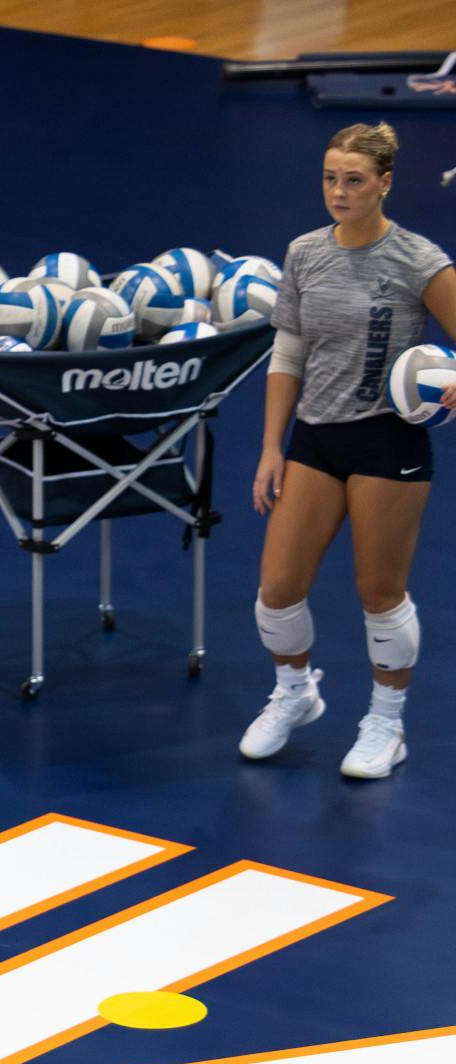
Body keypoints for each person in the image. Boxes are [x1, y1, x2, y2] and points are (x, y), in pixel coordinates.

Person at [244, 122, 456, 778]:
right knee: (276, 590)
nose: (339, 190)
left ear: (385, 183)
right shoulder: (305, 252)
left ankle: (386, 725)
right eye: (330, 177)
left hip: (388, 441)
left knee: (379, 592)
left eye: (354, 180)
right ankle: (296, 693)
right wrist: (271, 448)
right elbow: (289, 352)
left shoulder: (420, 261)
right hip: (315, 439)